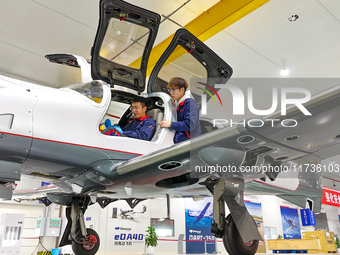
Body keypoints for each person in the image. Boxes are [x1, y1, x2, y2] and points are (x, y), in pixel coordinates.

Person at [160, 77, 201, 143]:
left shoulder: (190, 103)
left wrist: (171, 124)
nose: (171, 93)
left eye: (173, 89)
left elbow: (190, 124)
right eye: (170, 90)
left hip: (187, 143)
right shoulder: (177, 104)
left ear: (182, 90)